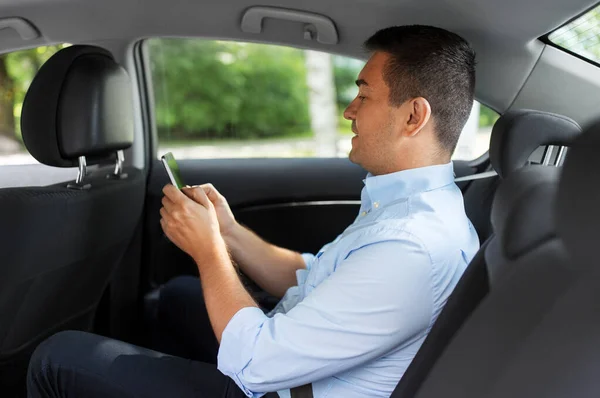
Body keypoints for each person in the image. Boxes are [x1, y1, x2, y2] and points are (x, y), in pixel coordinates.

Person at [27, 25, 479, 398]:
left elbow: (257, 364)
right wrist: (228, 233)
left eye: (364, 95)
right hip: (292, 365)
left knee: (57, 357)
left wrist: (208, 251)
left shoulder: (412, 245)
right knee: (178, 296)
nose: (348, 110)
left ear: (413, 117)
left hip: (275, 382)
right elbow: (314, 274)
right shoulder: (411, 208)